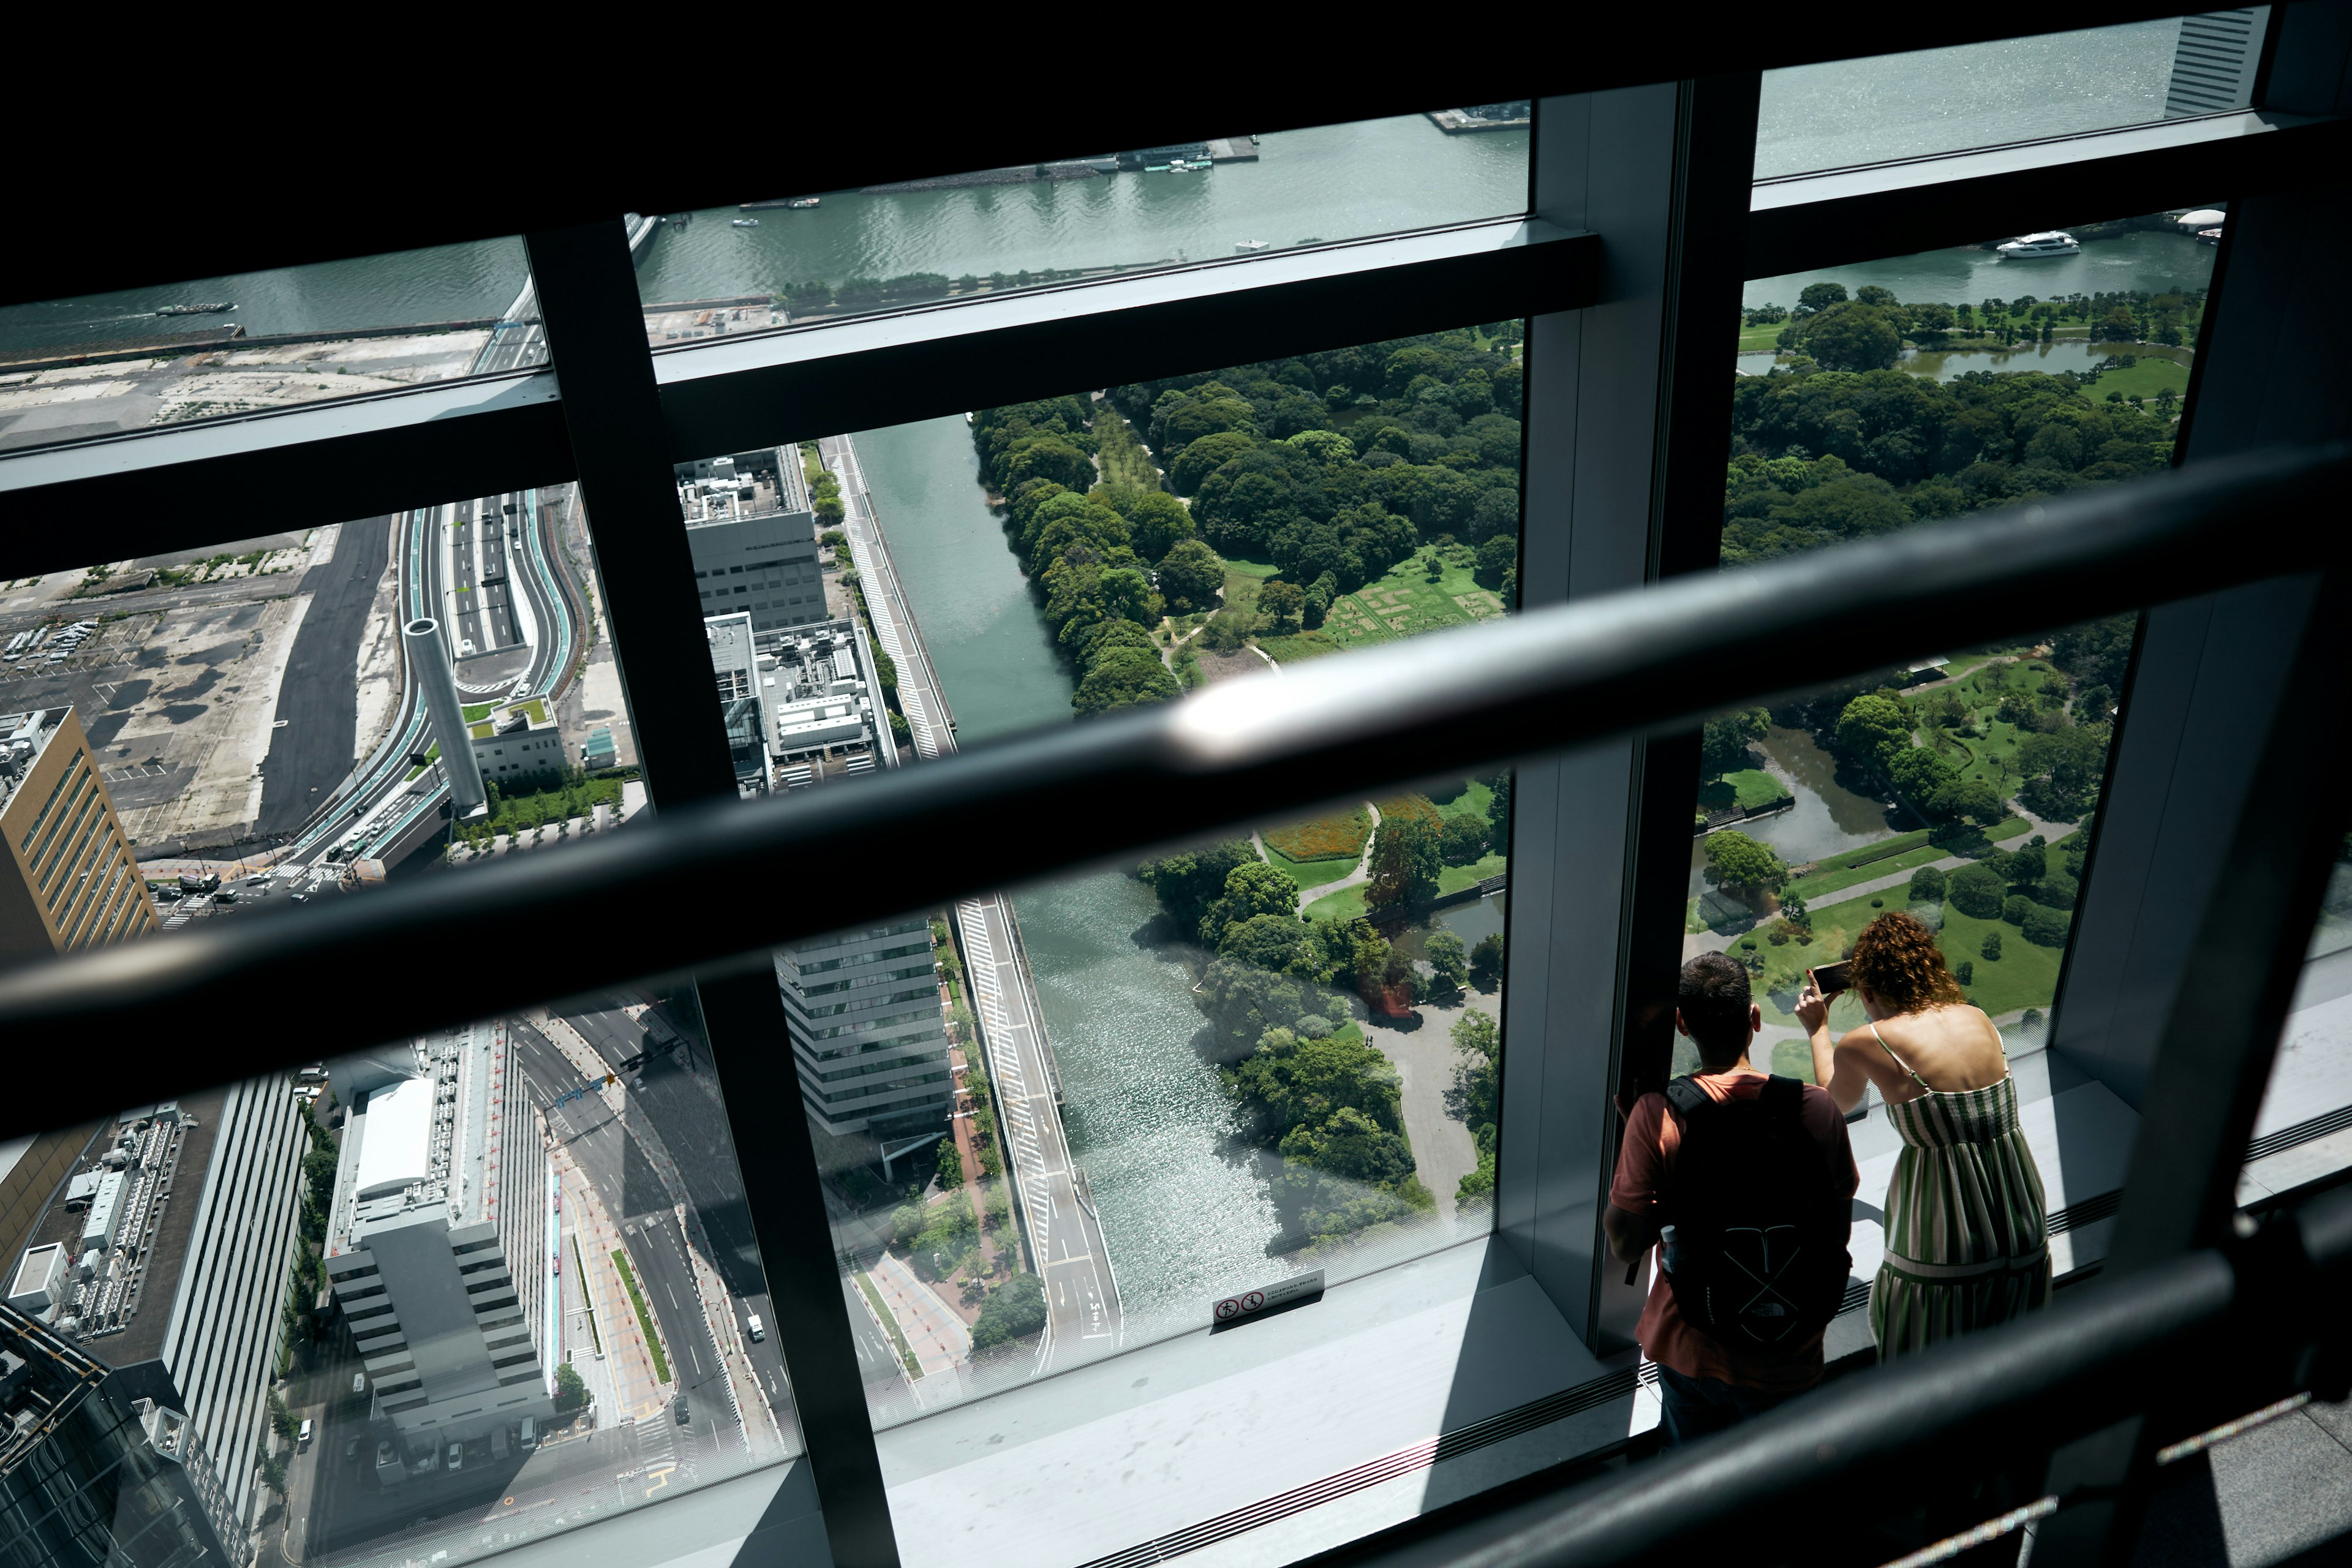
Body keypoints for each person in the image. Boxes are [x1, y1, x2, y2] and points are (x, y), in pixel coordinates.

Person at [1607, 952, 1856, 1445]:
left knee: (1690, 1481)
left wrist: (1638, 1136)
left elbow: (1624, 1243)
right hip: (1792, 1344)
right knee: (1780, 1483)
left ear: (1682, 1025)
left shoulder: (1659, 1118)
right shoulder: (1816, 1109)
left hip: (1694, 1341)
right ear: (1755, 1019)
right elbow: (1836, 1230)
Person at [1797, 910, 2050, 1357]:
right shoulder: (1977, 1017)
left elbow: (1832, 1102)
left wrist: (1819, 1029)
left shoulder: (1872, 1040)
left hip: (1946, 1219)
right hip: (2020, 1205)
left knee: (1927, 1337)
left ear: (1867, 988)